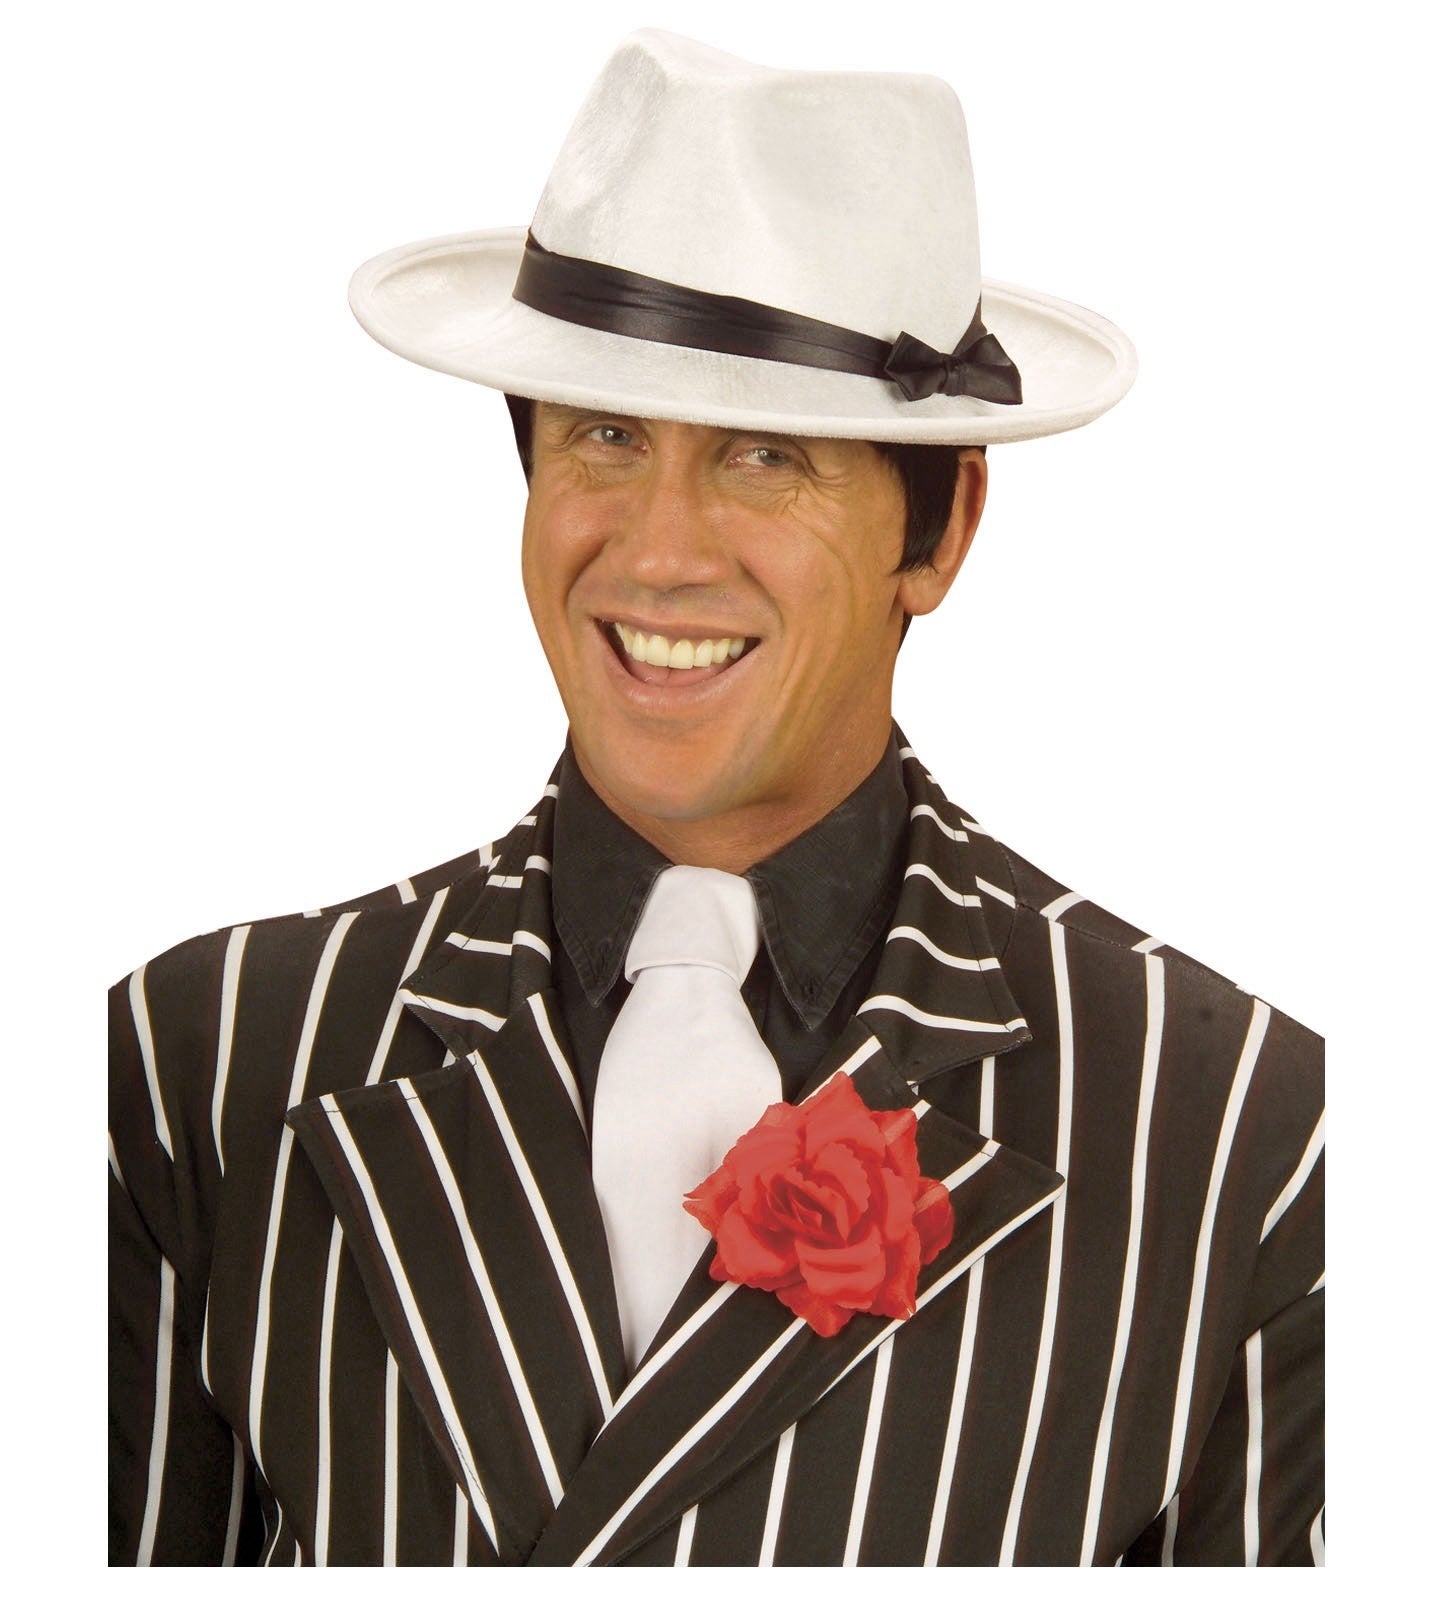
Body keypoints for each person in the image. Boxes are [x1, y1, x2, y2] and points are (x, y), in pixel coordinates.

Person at [108, 29, 1323, 1566]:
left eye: (765, 456)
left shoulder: (1231, 1128)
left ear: (937, 533)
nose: (658, 551)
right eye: (604, 437)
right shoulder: (208, 1059)